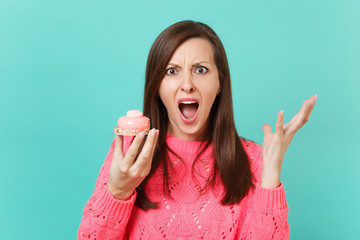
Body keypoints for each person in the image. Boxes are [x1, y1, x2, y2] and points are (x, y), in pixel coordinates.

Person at [77, 20, 317, 239]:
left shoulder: (254, 160)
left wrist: (270, 176)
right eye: (172, 71)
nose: (187, 85)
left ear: (220, 82)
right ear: (156, 85)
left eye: (200, 70)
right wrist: (118, 191)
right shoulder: (130, 154)